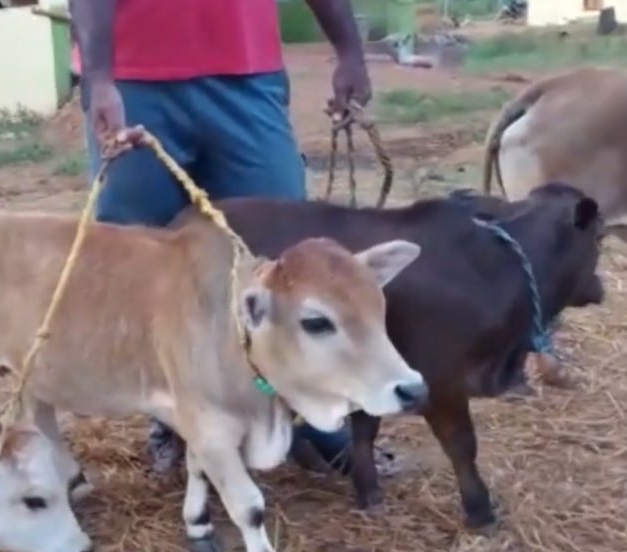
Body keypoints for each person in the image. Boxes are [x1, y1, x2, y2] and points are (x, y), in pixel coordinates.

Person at [70, 0, 401, 477]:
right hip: (133, 80)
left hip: (246, 75)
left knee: (284, 254)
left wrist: (350, 52)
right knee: (140, 257)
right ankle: (176, 418)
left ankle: (309, 417)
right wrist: (100, 79)